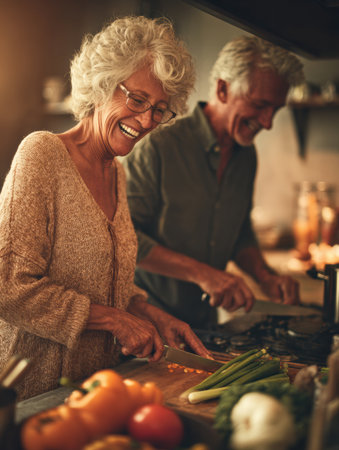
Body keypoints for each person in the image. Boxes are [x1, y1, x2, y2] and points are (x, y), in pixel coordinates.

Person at [0, 16, 212, 400]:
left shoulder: (117, 173)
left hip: (94, 390)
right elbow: (8, 286)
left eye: (160, 109)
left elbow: (104, 283)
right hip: (30, 393)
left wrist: (154, 316)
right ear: (101, 85)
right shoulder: (42, 153)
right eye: (137, 100)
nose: (147, 120)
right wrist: (115, 321)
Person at [122, 36, 304, 329]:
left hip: (204, 323)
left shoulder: (246, 155)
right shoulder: (158, 146)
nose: (268, 122)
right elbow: (125, 239)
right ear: (223, 89)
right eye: (260, 105)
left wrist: (265, 275)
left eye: (275, 110)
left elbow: (239, 231)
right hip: (148, 321)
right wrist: (203, 274)